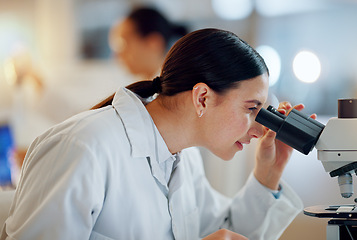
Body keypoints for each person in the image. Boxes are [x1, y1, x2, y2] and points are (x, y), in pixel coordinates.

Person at [1, 28, 313, 239]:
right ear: (202, 97)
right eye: (251, 109)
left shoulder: (183, 159)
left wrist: (267, 174)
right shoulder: (83, 146)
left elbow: (225, 232)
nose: (260, 129)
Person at [109, 6, 187, 80]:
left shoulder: (177, 88)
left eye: (122, 45)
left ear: (153, 42)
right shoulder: (140, 87)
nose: (118, 55)